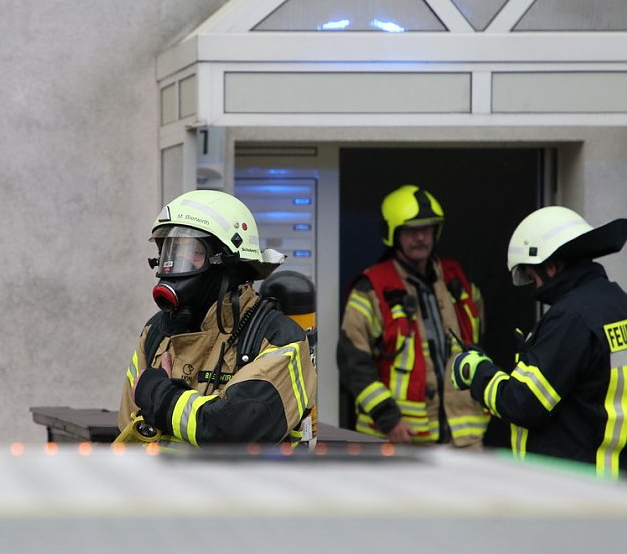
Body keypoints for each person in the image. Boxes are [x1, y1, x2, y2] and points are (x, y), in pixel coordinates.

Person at [117, 189, 318, 446]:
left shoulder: (280, 340)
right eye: (169, 254)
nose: (172, 266)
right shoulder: (156, 333)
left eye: (192, 254)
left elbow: (233, 430)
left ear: (228, 264)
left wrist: (160, 396)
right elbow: (129, 431)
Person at [452, 206, 627, 477]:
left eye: (533, 277)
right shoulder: (618, 304)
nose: (536, 288)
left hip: (568, 486)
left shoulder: (570, 318)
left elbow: (523, 403)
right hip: (611, 484)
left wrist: (476, 371)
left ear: (551, 266)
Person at [337, 185, 489, 446]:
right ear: (393, 233)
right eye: (411, 230)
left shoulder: (457, 280)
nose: (421, 237)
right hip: (401, 437)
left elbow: (478, 342)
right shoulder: (372, 288)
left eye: (427, 228)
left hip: (464, 438)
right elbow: (353, 363)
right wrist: (388, 418)